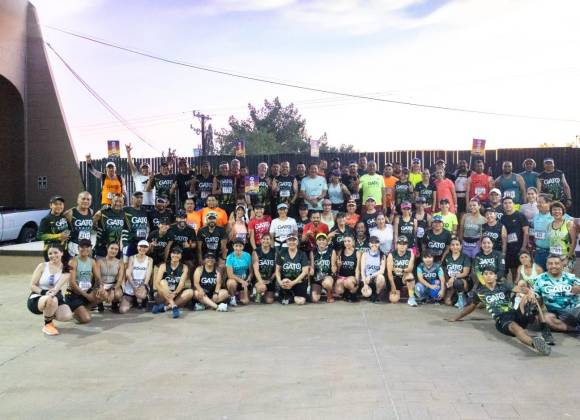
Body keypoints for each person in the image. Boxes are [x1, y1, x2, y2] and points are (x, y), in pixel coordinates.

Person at [448, 269, 551, 356]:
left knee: (532, 300)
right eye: (486, 274)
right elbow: (471, 307)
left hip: (514, 313)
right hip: (502, 319)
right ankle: (534, 343)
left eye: (491, 273)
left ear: (495, 276)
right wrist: (456, 317)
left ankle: (544, 329)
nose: (488, 276)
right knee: (515, 328)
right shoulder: (480, 292)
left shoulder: (504, 286)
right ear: (483, 277)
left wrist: (530, 293)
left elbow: (524, 290)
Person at [27, 244, 73, 335]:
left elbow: (57, 287)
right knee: (51, 299)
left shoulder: (66, 268)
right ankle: (47, 324)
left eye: (56, 252)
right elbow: (32, 285)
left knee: (67, 316)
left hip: (55, 295)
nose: (53, 255)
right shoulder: (42, 266)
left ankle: (48, 312)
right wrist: (45, 292)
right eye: (50, 253)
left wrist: (53, 291)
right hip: (38, 297)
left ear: (61, 253)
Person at [534, 255, 580, 333]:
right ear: (546, 265)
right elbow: (534, 296)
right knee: (545, 318)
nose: (553, 266)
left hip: (577, 309)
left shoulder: (571, 277)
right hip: (557, 314)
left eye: (557, 263)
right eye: (550, 263)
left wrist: (578, 288)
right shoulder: (539, 280)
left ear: (561, 265)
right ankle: (575, 329)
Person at [66, 239, 104, 324]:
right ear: (78, 248)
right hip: (74, 294)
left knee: (103, 293)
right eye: (82, 247)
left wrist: (101, 287)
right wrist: (87, 296)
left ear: (91, 248)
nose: (85, 249)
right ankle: (76, 312)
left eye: (87, 247)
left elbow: (98, 278)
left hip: (86, 291)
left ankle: (84, 309)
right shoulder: (73, 261)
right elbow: (72, 283)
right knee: (86, 319)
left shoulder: (92, 261)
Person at [152, 247, 193, 318]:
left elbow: (181, 283)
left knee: (190, 292)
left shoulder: (184, 267)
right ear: (170, 254)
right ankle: (173, 306)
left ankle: (165, 308)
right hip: (163, 295)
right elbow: (157, 283)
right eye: (174, 253)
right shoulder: (163, 266)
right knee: (163, 282)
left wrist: (175, 293)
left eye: (178, 253)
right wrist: (166, 293)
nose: (175, 255)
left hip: (175, 294)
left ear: (181, 256)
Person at [275, 232, 310, 305]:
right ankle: (288, 295)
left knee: (300, 301)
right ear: (286, 242)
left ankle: (292, 296)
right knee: (285, 283)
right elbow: (277, 270)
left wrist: (293, 282)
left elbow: (305, 271)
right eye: (289, 240)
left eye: (294, 240)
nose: (292, 242)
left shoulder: (302, 254)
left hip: (298, 282)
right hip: (286, 281)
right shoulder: (282, 253)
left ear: (297, 242)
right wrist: (280, 282)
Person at [501, 196, 529, 282]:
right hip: (509, 249)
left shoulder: (520, 215)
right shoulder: (502, 218)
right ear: (503, 205)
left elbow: (526, 232)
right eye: (505, 203)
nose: (507, 205)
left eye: (510, 203)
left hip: (519, 248)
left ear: (513, 204)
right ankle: (514, 288)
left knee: (522, 271)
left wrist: (523, 247)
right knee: (513, 272)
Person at [120, 240, 153, 313]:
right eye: (141, 246)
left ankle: (142, 299)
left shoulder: (150, 260)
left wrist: (143, 285)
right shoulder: (132, 258)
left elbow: (148, 274)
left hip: (142, 285)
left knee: (141, 295)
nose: (143, 248)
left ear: (148, 248)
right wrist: (134, 286)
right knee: (122, 310)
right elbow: (128, 273)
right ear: (137, 247)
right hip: (131, 285)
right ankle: (133, 301)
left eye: (145, 247)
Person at [38, 195, 70, 262]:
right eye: (56, 204)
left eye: (60, 204)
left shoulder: (64, 217)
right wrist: (58, 236)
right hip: (51, 252)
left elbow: (68, 230)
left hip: (64, 250)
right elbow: (40, 236)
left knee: (65, 268)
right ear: (50, 205)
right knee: (53, 269)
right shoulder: (46, 219)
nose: (58, 206)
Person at [547, 201, 577, 271]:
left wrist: (567, 258)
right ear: (551, 212)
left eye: (559, 209)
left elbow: (574, 242)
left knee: (565, 277)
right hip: (553, 257)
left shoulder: (569, 224)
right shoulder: (549, 225)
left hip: (566, 256)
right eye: (554, 209)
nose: (556, 211)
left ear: (563, 211)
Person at [386, 236, 416, 306]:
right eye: (400, 243)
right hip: (394, 278)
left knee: (410, 276)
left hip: (404, 277)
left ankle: (411, 298)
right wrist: (393, 285)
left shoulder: (411, 254)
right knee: (393, 300)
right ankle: (396, 291)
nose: (402, 245)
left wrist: (402, 270)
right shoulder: (391, 255)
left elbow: (410, 269)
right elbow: (389, 272)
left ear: (407, 245)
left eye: (404, 244)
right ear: (397, 245)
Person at [93, 194, 125, 259]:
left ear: (123, 203)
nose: (118, 203)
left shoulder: (123, 213)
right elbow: (91, 222)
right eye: (116, 201)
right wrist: (96, 228)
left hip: (115, 249)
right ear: (111, 201)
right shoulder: (103, 212)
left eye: (120, 202)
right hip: (102, 249)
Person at [442, 238, 471, 308]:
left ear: (461, 246)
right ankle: (454, 296)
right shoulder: (447, 256)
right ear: (450, 246)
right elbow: (444, 270)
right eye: (453, 245)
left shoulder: (465, 257)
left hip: (462, 281)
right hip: (450, 282)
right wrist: (446, 281)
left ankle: (462, 298)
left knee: (458, 282)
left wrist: (454, 277)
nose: (455, 247)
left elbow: (465, 273)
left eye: (457, 245)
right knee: (447, 302)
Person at [64, 191, 93, 258]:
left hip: (87, 247)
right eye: (83, 199)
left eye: (88, 199)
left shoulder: (91, 211)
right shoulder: (70, 213)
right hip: (74, 247)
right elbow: (63, 229)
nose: (85, 201)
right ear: (78, 200)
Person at [310, 233, 337, 303]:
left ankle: (329, 293)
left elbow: (333, 267)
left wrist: (336, 267)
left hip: (327, 276)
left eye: (323, 240)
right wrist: (310, 270)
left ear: (327, 241)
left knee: (327, 283)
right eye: (319, 240)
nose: (321, 241)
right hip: (316, 278)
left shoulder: (331, 251)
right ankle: (321, 290)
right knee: (314, 299)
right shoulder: (313, 252)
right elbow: (312, 266)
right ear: (316, 242)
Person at [122, 191, 149, 262]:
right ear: (132, 199)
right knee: (126, 263)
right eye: (137, 197)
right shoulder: (126, 210)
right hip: (129, 242)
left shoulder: (144, 210)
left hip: (141, 243)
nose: (139, 199)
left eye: (141, 198)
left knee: (139, 263)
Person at [225, 239, 253, 306]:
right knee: (231, 283)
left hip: (245, 281)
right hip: (235, 280)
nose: (238, 248)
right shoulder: (229, 257)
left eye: (240, 246)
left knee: (245, 301)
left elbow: (251, 271)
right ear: (233, 246)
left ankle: (238, 294)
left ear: (243, 247)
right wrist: (241, 281)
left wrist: (249, 278)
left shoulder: (248, 255)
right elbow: (230, 275)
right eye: (236, 246)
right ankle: (232, 298)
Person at [125, 143, 154, 208]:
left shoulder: (154, 177)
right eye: (143, 168)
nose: (145, 169)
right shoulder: (137, 176)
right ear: (140, 169)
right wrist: (128, 152)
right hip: (140, 204)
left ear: (150, 169)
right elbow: (131, 164)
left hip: (152, 204)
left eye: (147, 168)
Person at [97, 242, 124, 312]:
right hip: (102, 284)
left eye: (116, 249)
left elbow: (120, 280)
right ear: (107, 248)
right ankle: (99, 303)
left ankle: (114, 304)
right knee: (101, 293)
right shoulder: (99, 261)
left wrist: (113, 290)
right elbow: (98, 277)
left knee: (117, 294)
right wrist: (101, 287)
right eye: (112, 248)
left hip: (113, 284)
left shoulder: (120, 262)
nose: (113, 251)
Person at [359, 236, 386, 302]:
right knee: (366, 294)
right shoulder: (365, 254)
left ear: (379, 244)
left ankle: (377, 294)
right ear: (369, 244)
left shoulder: (382, 255)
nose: (374, 244)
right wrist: (365, 284)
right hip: (366, 279)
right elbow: (362, 270)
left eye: (376, 243)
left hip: (375, 278)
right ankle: (370, 292)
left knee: (381, 278)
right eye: (372, 243)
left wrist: (370, 276)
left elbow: (382, 271)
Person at [253, 233, 277, 304]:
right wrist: (261, 281)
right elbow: (256, 270)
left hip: (270, 279)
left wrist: (270, 279)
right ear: (260, 240)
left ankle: (266, 293)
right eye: (264, 239)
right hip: (259, 280)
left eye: (267, 239)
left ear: (271, 241)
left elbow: (277, 269)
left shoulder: (275, 252)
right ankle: (258, 292)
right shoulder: (256, 252)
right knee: (262, 287)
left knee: (269, 301)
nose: (265, 241)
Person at [335, 235, 360, 302]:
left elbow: (358, 268)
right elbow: (337, 270)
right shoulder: (341, 251)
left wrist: (357, 282)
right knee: (338, 290)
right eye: (345, 241)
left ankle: (353, 294)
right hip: (342, 276)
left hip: (352, 277)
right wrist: (338, 266)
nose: (347, 243)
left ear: (353, 242)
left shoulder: (357, 252)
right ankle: (346, 293)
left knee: (348, 282)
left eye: (349, 241)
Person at [533, 194, 554, 270]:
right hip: (539, 252)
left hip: (553, 253)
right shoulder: (535, 217)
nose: (538, 204)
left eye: (541, 202)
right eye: (537, 202)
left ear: (549, 203)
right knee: (539, 275)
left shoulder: (556, 215)